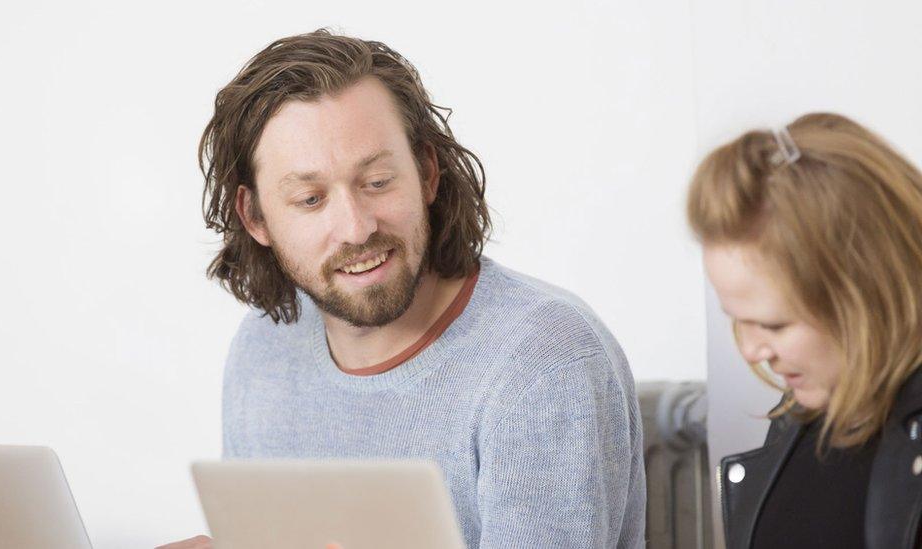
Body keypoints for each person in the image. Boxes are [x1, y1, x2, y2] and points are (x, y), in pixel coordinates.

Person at [158, 30, 644, 548]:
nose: (356, 227)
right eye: (310, 198)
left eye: (377, 181)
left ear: (427, 173)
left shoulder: (543, 363)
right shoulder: (262, 350)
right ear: (254, 216)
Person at [687, 112, 922, 549]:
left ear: (868, 289)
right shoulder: (799, 423)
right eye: (738, 319)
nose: (753, 350)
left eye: (773, 324)